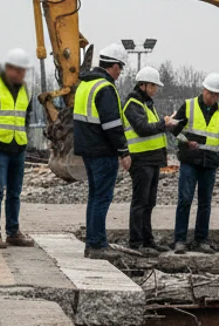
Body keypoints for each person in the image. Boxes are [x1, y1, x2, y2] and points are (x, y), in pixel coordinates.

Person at [73, 43, 131, 259]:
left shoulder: (85, 85)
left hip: (87, 150)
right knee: (102, 197)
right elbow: (112, 124)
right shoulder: (104, 88)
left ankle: (93, 242)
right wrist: (124, 151)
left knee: (94, 196)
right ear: (114, 66)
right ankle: (97, 244)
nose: (120, 73)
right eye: (120, 68)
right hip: (102, 150)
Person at [165, 73, 219, 254]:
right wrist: (186, 141)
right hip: (190, 160)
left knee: (205, 203)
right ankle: (180, 240)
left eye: (217, 95)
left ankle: (201, 239)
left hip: (210, 163)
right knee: (185, 200)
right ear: (204, 90)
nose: (214, 98)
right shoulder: (189, 106)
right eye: (211, 94)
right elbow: (174, 129)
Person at [0, 48, 35, 249]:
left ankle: (13, 232)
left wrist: (25, 136)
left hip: (18, 147)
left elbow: (26, 116)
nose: (22, 74)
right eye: (19, 70)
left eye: (24, 71)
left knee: (15, 192)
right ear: (9, 69)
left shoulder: (26, 89)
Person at [123, 66, 169, 255]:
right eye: (153, 86)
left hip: (151, 159)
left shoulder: (146, 103)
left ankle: (147, 239)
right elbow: (142, 128)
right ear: (143, 85)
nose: (155, 90)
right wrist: (163, 124)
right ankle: (136, 242)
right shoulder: (133, 103)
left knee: (149, 202)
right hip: (141, 160)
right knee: (140, 202)